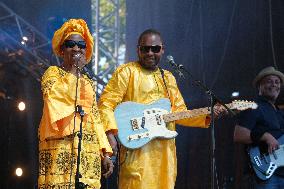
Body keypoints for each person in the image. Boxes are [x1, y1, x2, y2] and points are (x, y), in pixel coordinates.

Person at [98, 29, 225, 189]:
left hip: (165, 156)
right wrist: (109, 133)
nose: (150, 53)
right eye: (145, 49)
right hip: (137, 154)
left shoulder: (168, 78)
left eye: (155, 49)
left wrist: (208, 114)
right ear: (138, 49)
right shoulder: (127, 72)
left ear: (162, 50)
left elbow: (180, 113)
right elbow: (105, 104)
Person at [38, 18, 113, 189]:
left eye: (81, 45)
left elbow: (95, 118)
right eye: (70, 44)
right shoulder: (52, 74)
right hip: (60, 149)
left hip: (88, 151)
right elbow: (55, 100)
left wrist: (105, 152)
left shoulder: (88, 81)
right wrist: (74, 70)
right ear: (62, 49)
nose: (76, 48)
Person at [234, 66, 284, 189]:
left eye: (277, 82)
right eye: (269, 81)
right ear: (259, 86)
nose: (274, 85)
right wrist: (265, 136)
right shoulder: (253, 106)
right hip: (266, 173)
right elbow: (238, 135)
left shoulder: (279, 113)